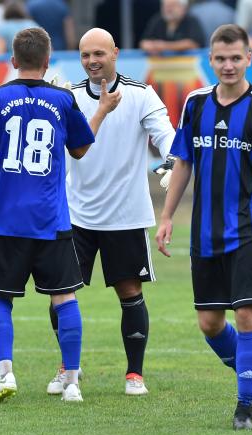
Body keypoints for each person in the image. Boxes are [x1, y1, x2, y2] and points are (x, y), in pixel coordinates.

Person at [0, 27, 112, 403]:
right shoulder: (62, 98)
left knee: (0, 299)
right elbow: (81, 149)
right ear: (48, 61)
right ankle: (71, 381)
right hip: (51, 219)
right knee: (64, 298)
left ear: (13, 61)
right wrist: (102, 110)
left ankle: (6, 374)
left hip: (7, 220)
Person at [155, 24, 252, 430]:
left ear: (249, 58)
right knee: (210, 323)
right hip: (205, 232)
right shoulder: (195, 104)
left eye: (236, 58)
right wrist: (166, 216)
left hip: (250, 230)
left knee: (247, 315)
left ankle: (244, 407)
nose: (228, 65)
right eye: (220, 58)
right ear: (210, 60)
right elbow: (182, 162)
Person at [44, 28, 174, 397]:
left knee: (130, 291)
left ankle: (135, 374)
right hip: (75, 214)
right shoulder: (67, 97)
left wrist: (172, 156)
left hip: (126, 214)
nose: (92, 61)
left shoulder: (139, 94)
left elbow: (165, 134)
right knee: (61, 293)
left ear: (116, 52)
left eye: (99, 53)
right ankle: (68, 366)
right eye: (86, 55)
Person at [139, 0, 205, 55]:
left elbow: (194, 44)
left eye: (172, 6)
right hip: (161, 65)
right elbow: (143, 42)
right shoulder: (157, 20)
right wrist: (150, 47)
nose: (168, 9)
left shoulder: (191, 21)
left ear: (183, 8)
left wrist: (164, 46)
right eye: (166, 6)